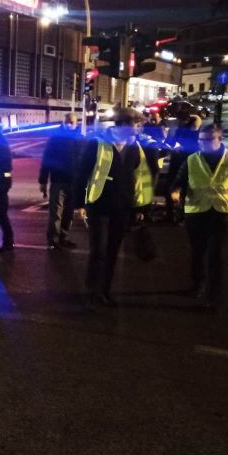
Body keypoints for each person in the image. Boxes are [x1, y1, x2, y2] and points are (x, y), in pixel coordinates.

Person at [171, 125, 228, 309]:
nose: (203, 143)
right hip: (196, 212)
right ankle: (197, 286)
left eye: (208, 140)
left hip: (221, 213)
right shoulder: (192, 159)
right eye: (200, 140)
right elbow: (178, 181)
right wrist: (175, 192)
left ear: (220, 139)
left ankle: (213, 296)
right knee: (197, 252)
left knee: (215, 256)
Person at [75, 108, 143, 308]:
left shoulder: (134, 146)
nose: (138, 128)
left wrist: (139, 207)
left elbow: (137, 177)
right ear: (123, 124)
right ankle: (92, 292)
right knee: (98, 251)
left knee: (113, 251)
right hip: (99, 204)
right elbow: (82, 173)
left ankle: (104, 291)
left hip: (122, 207)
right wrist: (80, 204)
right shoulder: (97, 143)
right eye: (136, 124)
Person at [39, 113, 80, 249]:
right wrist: (43, 181)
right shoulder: (55, 138)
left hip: (73, 182)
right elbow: (46, 160)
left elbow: (83, 161)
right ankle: (53, 240)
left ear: (76, 123)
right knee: (56, 212)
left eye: (72, 122)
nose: (69, 124)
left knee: (69, 213)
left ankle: (63, 237)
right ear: (63, 122)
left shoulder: (79, 138)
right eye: (67, 122)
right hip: (58, 181)